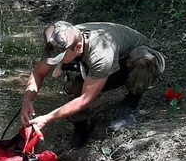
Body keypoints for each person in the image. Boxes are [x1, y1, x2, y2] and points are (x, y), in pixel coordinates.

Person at [21, 21, 166, 151]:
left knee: (143, 61)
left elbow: (85, 99)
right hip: (111, 64)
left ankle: (130, 104)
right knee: (74, 88)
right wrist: (27, 100)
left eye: (60, 57)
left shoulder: (101, 53)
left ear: (78, 47)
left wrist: (47, 118)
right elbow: (38, 74)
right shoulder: (59, 41)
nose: (55, 60)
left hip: (143, 60)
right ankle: (81, 129)